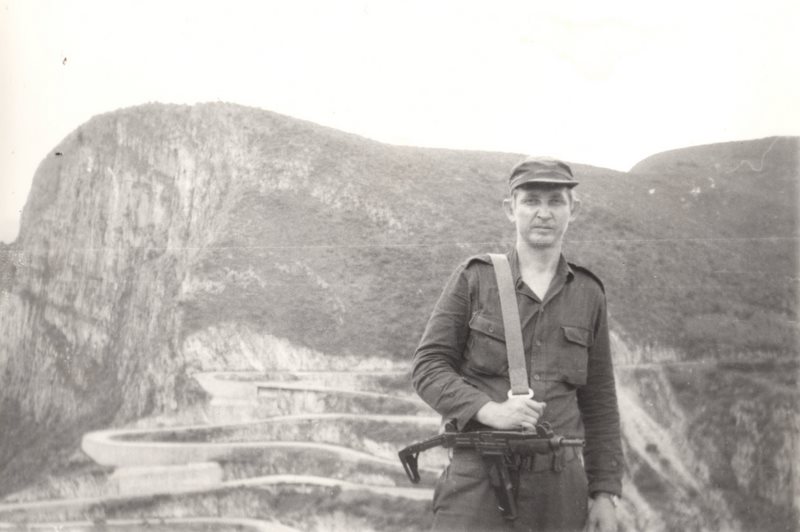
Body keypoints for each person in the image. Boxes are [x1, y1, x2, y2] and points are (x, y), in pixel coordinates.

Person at [412, 156, 623, 531]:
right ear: (510, 209)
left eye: (555, 201)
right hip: (478, 484)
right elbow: (428, 368)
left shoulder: (588, 293)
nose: (543, 213)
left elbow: (600, 399)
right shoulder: (474, 279)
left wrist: (604, 492)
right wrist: (489, 410)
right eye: (531, 201)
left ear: (573, 209)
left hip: (558, 491)